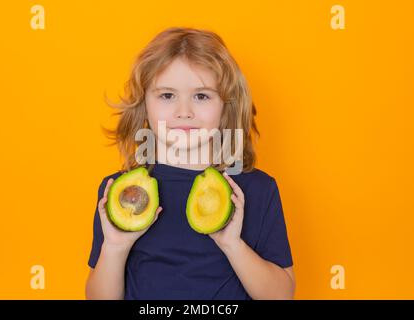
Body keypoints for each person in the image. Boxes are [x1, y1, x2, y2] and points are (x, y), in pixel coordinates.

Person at [85, 27, 295, 300]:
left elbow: (281, 296)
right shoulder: (118, 191)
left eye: (201, 96)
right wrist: (114, 247)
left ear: (225, 106)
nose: (184, 112)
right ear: (144, 104)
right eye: (167, 96)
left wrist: (232, 244)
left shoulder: (257, 189)